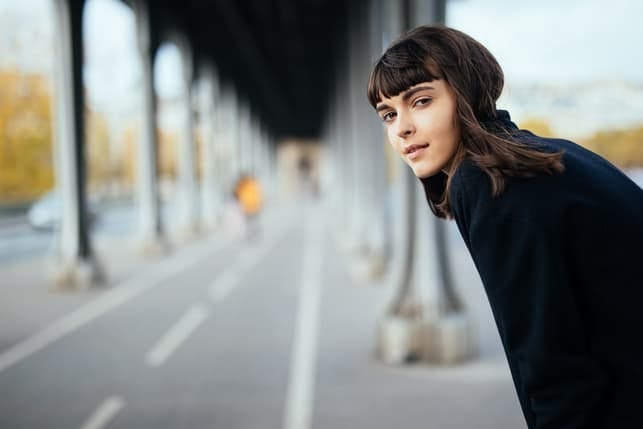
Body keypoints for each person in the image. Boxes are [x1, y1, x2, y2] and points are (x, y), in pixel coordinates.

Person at [367, 24, 643, 428]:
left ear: (466, 94)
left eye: (421, 101)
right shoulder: (544, 155)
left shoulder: (485, 180)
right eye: (389, 114)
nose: (401, 128)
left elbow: (551, 365)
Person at [233, 173, 263, 239]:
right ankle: (253, 232)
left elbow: (236, 194)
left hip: (249, 206)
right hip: (251, 206)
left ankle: (253, 232)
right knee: (252, 221)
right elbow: (258, 193)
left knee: (250, 221)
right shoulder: (248, 184)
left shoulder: (242, 185)